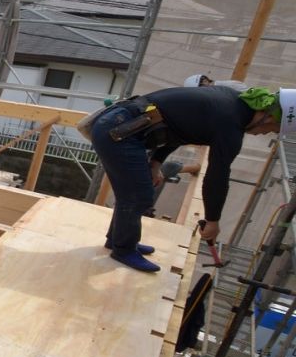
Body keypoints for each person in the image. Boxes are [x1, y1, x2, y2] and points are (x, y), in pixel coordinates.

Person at [90, 84, 287, 273]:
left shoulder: (230, 102)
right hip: (119, 132)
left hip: (122, 123)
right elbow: (217, 175)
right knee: (138, 196)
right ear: (268, 116)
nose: (263, 133)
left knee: (134, 193)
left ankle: (118, 240)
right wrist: (213, 220)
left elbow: (177, 127)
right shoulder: (230, 124)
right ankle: (123, 249)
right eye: (270, 128)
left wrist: (156, 162)